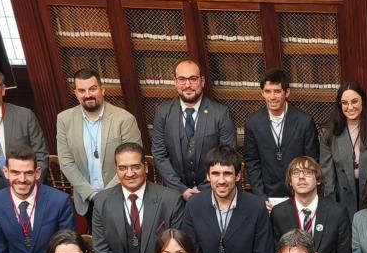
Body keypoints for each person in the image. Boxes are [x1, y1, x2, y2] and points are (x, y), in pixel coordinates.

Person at [181, 146, 276, 253]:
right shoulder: (194, 206)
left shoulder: (256, 207)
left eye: (227, 173)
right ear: (208, 176)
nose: (221, 180)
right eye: (216, 174)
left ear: (238, 176)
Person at [90, 142, 187, 253]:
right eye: (123, 168)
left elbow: (179, 249)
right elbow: (102, 250)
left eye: (135, 167)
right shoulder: (102, 201)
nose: (129, 173)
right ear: (116, 170)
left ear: (146, 167)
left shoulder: (171, 200)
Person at [0, 144, 76, 253]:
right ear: (6, 172)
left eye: (28, 173)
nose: (22, 179)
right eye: (15, 172)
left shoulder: (59, 201)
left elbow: (68, 247)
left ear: (37, 173)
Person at [55, 69, 141, 218]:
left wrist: (106, 195)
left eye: (92, 89)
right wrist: (91, 194)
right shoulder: (64, 119)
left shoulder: (125, 119)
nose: (87, 95)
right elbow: (66, 162)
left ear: (102, 90)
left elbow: (133, 161)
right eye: (82, 90)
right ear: (75, 93)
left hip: (121, 197)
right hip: (86, 200)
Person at [152, 58, 237, 196]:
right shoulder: (163, 112)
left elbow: (227, 155)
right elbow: (159, 155)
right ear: (175, 82)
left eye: (193, 79)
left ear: (202, 82)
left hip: (212, 193)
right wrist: (181, 190)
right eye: (182, 79)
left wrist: (203, 189)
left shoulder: (220, 113)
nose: (187, 85)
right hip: (174, 194)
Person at [271, 155, 352, 253]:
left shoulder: (337, 212)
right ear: (290, 181)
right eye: (296, 173)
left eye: (308, 172)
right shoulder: (279, 213)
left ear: (318, 180)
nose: (301, 177)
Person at [244, 68, 318, 199]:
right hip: (267, 195)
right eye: (267, 91)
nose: (272, 97)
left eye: (277, 91)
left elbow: (311, 161)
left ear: (287, 92)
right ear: (262, 93)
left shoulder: (305, 121)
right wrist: (260, 196)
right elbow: (252, 162)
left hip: (299, 194)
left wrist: (303, 193)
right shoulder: (252, 123)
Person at [321, 81, 367, 217]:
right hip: (343, 198)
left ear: (363, 102)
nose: (350, 107)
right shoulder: (329, 133)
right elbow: (327, 175)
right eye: (345, 103)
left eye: (354, 102)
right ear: (339, 105)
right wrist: (330, 206)